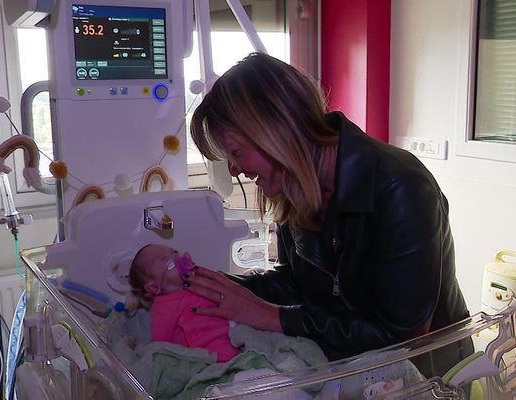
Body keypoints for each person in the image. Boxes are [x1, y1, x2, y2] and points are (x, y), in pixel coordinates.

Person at [184, 52, 473, 377]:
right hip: (352, 367)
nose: (235, 168)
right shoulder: (298, 189)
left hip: (428, 376)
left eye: (236, 153)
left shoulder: (400, 188)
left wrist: (272, 316)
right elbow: (296, 283)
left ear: (276, 129)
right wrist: (210, 287)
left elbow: (401, 337)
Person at [128, 244, 240, 362]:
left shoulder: (199, 282)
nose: (175, 256)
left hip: (229, 335)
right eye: (163, 258)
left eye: (174, 252)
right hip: (206, 350)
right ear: (154, 287)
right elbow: (160, 342)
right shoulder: (164, 305)